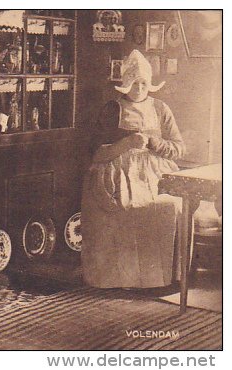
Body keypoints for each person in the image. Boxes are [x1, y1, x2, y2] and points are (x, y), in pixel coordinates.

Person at [81, 50, 186, 289]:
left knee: (170, 206)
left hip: (155, 173)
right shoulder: (112, 109)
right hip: (118, 173)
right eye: (133, 83)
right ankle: (125, 280)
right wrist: (125, 144)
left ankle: (162, 279)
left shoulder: (161, 109)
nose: (139, 88)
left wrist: (154, 143)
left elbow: (179, 148)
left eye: (143, 83)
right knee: (126, 209)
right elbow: (95, 153)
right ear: (125, 84)